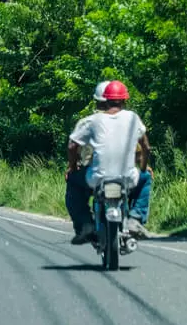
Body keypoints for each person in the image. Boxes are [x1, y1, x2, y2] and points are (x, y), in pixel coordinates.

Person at [65, 80, 153, 245]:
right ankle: (136, 218)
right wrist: (143, 168)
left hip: (96, 178)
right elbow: (146, 148)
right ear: (124, 100)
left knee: (73, 181)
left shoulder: (90, 121)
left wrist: (72, 167)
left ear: (102, 101)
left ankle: (85, 225)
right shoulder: (133, 118)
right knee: (146, 178)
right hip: (127, 177)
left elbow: (72, 146)